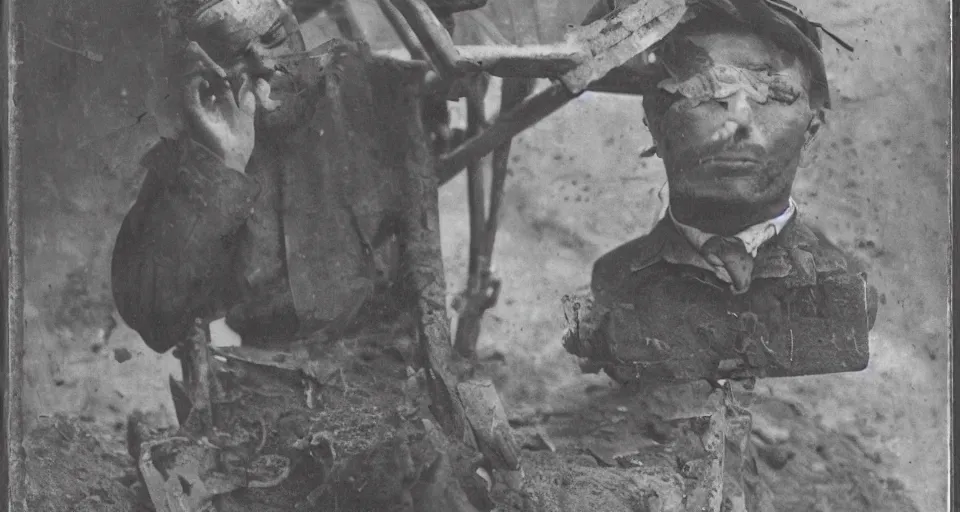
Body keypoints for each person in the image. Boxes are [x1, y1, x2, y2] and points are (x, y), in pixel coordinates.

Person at [111, 0, 411, 354]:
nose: (266, 66)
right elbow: (153, 318)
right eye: (234, 54)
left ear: (295, 28)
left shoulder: (364, 89)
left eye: (273, 37)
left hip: (381, 352)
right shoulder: (201, 153)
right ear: (206, 71)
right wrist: (223, 166)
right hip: (267, 373)